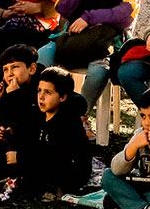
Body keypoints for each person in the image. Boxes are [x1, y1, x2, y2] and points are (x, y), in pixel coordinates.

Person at [11, 68, 93, 199]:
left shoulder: (67, 122)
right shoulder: (38, 115)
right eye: (39, 91)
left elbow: (56, 156)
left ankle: (51, 188)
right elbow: (28, 140)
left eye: (48, 92)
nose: (41, 97)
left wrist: (21, 157)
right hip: (40, 162)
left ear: (62, 97)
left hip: (64, 170)